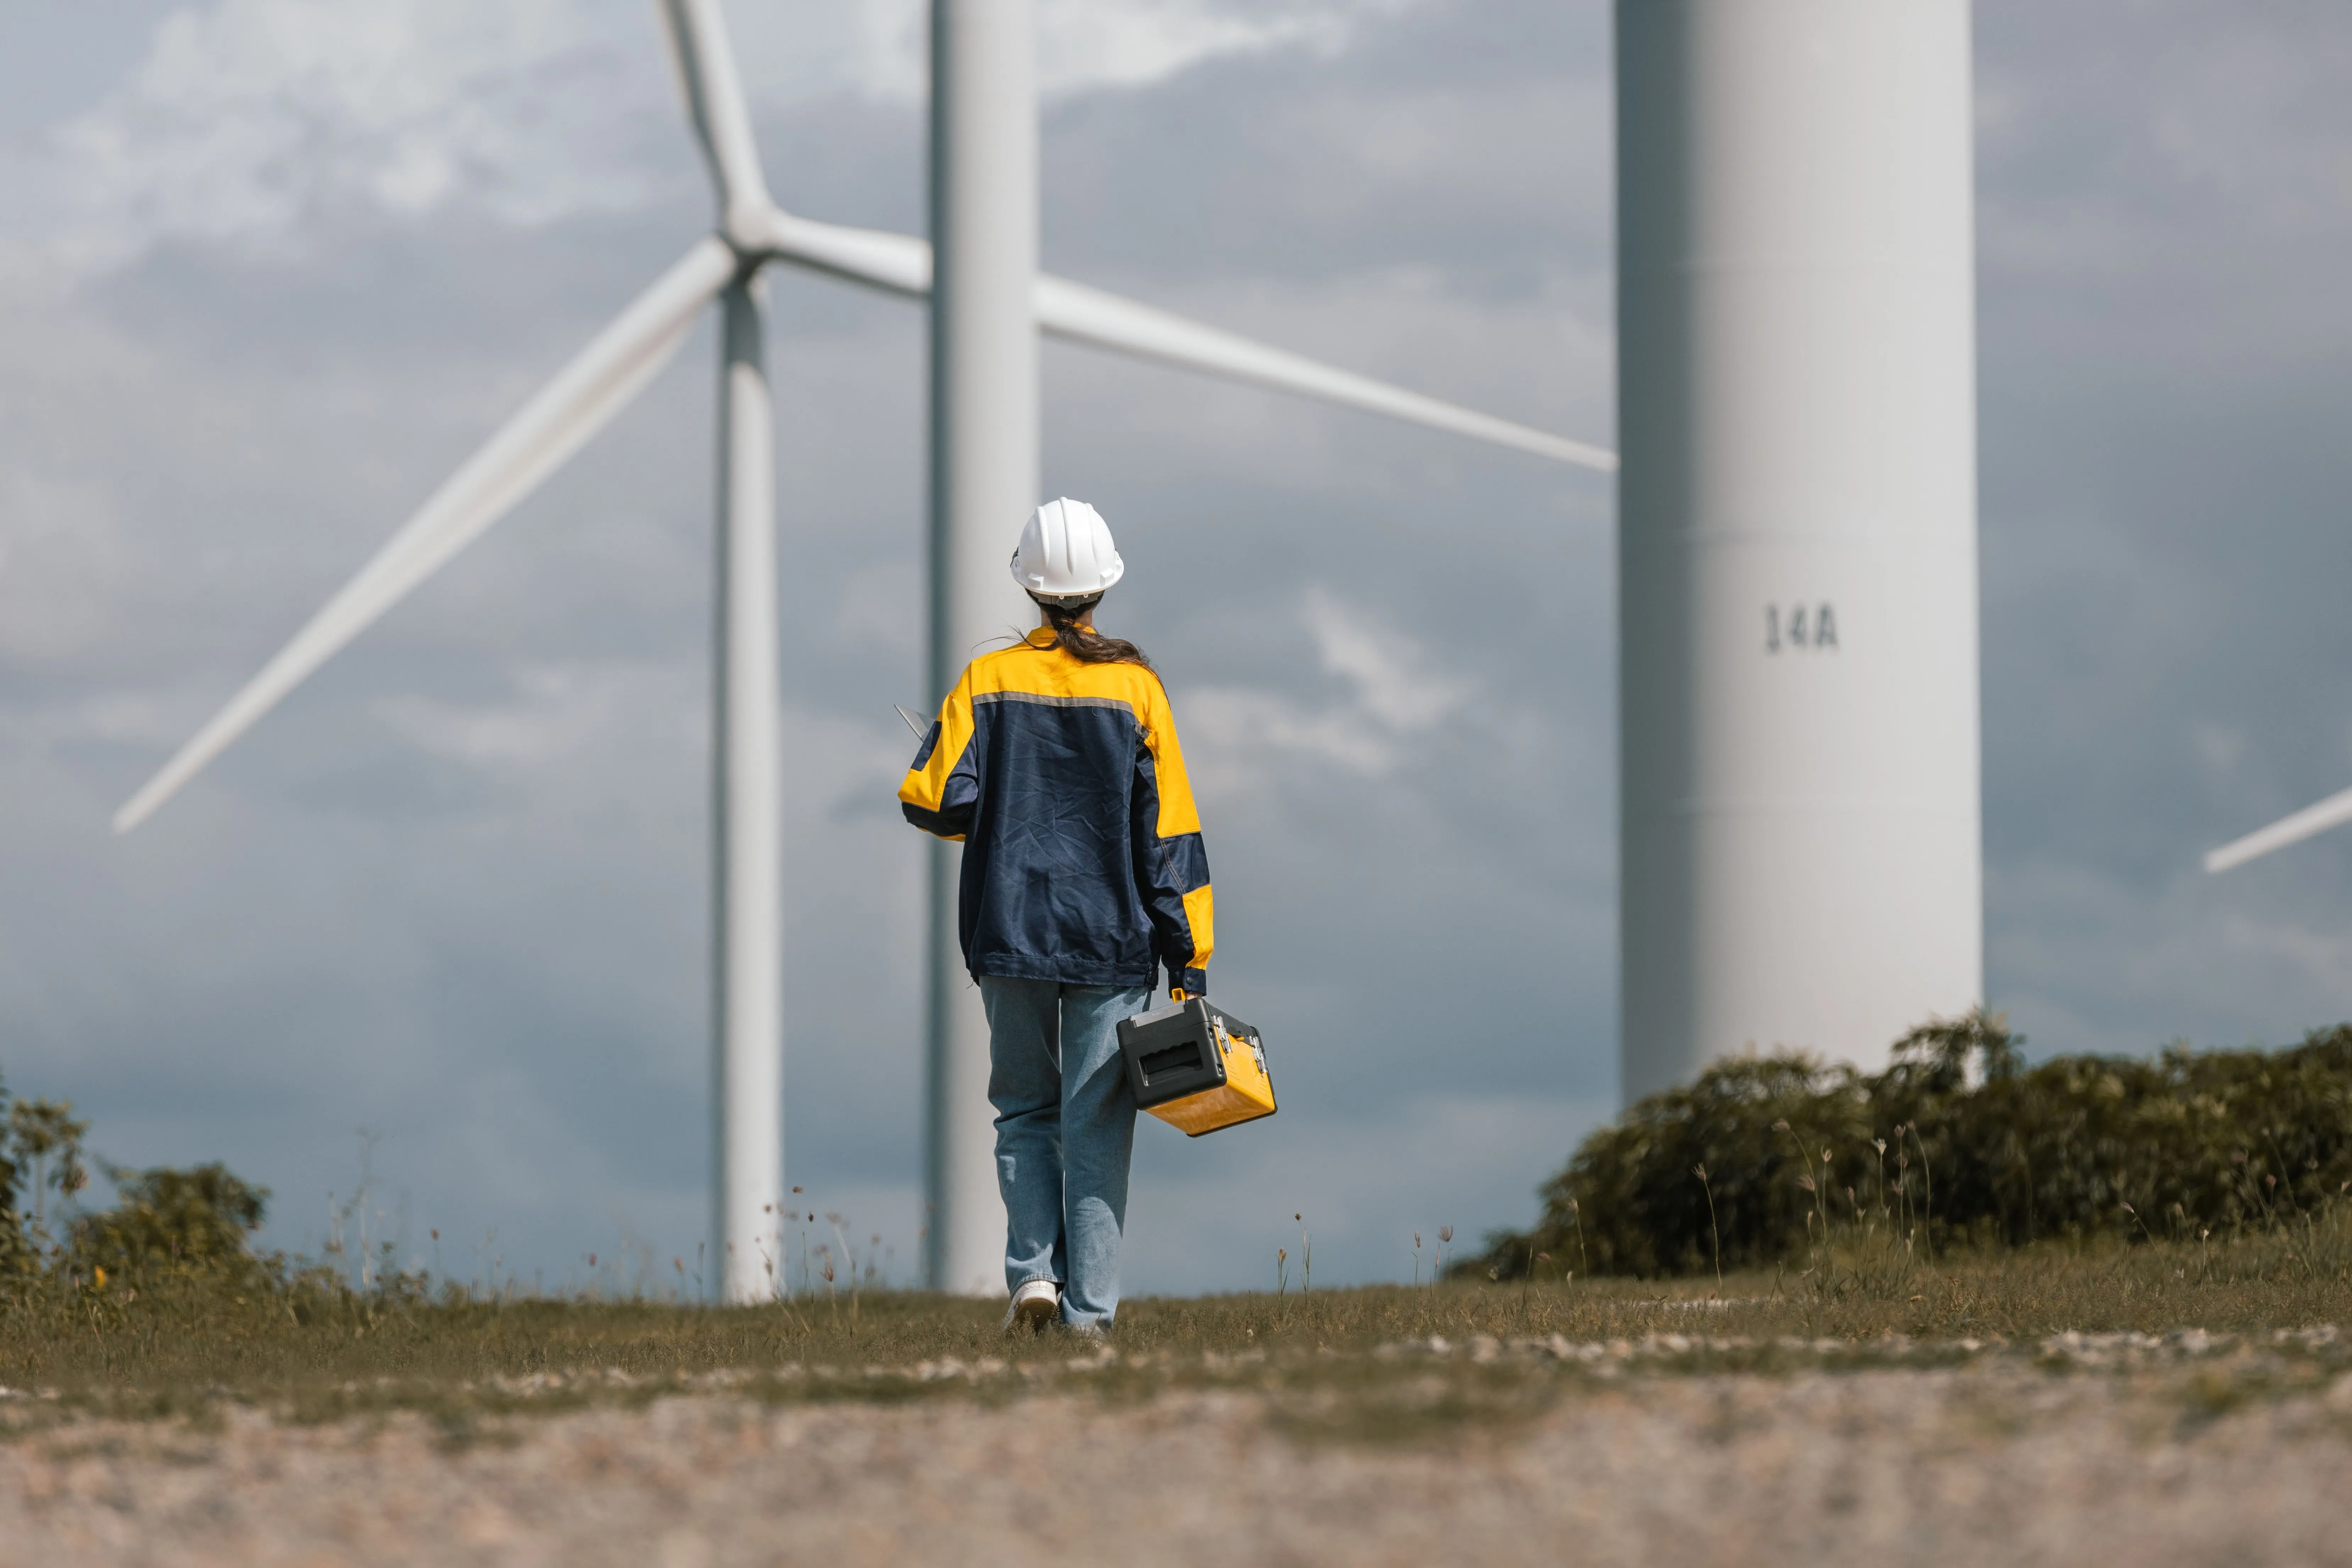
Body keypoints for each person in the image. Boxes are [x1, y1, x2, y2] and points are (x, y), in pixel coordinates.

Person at [899, 498, 1213, 1336]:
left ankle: (1032, 1275)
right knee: (1096, 1126)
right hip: (1112, 940)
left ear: (1028, 586)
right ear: (1103, 584)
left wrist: (982, 787)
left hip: (1009, 932)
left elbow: (931, 799)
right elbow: (1169, 835)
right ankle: (1090, 1319)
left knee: (1024, 1114)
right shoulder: (1137, 689)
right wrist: (1191, 957)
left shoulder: (986, 681)